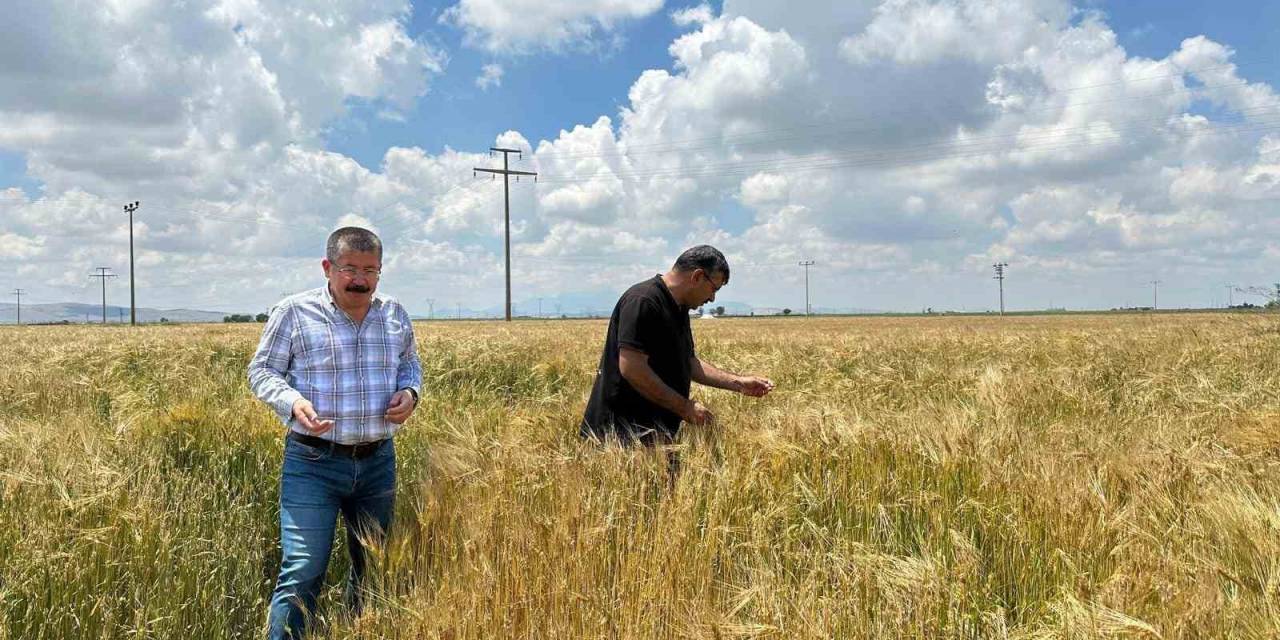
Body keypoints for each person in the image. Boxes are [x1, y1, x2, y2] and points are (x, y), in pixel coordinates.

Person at [248, 227, 422, 639]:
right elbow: (261, 370)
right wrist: (292, 402)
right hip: (313, 464)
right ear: (328, 268)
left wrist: (410, 392)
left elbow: (410, 364)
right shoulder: (294, 311)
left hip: (378, 460)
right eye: (349, 269)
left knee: (373, 567)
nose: (360, 279)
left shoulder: (394, 312)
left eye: (370, 270)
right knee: (304, 568)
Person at [581, 245, 774, 449]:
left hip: (654, 435)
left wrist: (738, 383)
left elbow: (687, 362)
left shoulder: (679, 307)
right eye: (714, 289)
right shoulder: (644, 300)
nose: (712, 298)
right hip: (620, 437)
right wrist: (685, 408)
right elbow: (632, 369)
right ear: (698, 276)